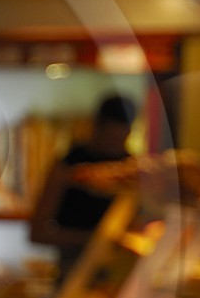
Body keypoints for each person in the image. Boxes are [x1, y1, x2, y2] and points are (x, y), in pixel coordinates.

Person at [28, 94, 136, 272]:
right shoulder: (69, 166)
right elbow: (37, 233)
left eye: (122, 137)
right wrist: (93, 239)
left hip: (119, 269)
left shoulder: (131, 169)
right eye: (112, 137)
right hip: (73, 266)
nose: (117, 146)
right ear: (97, 128)